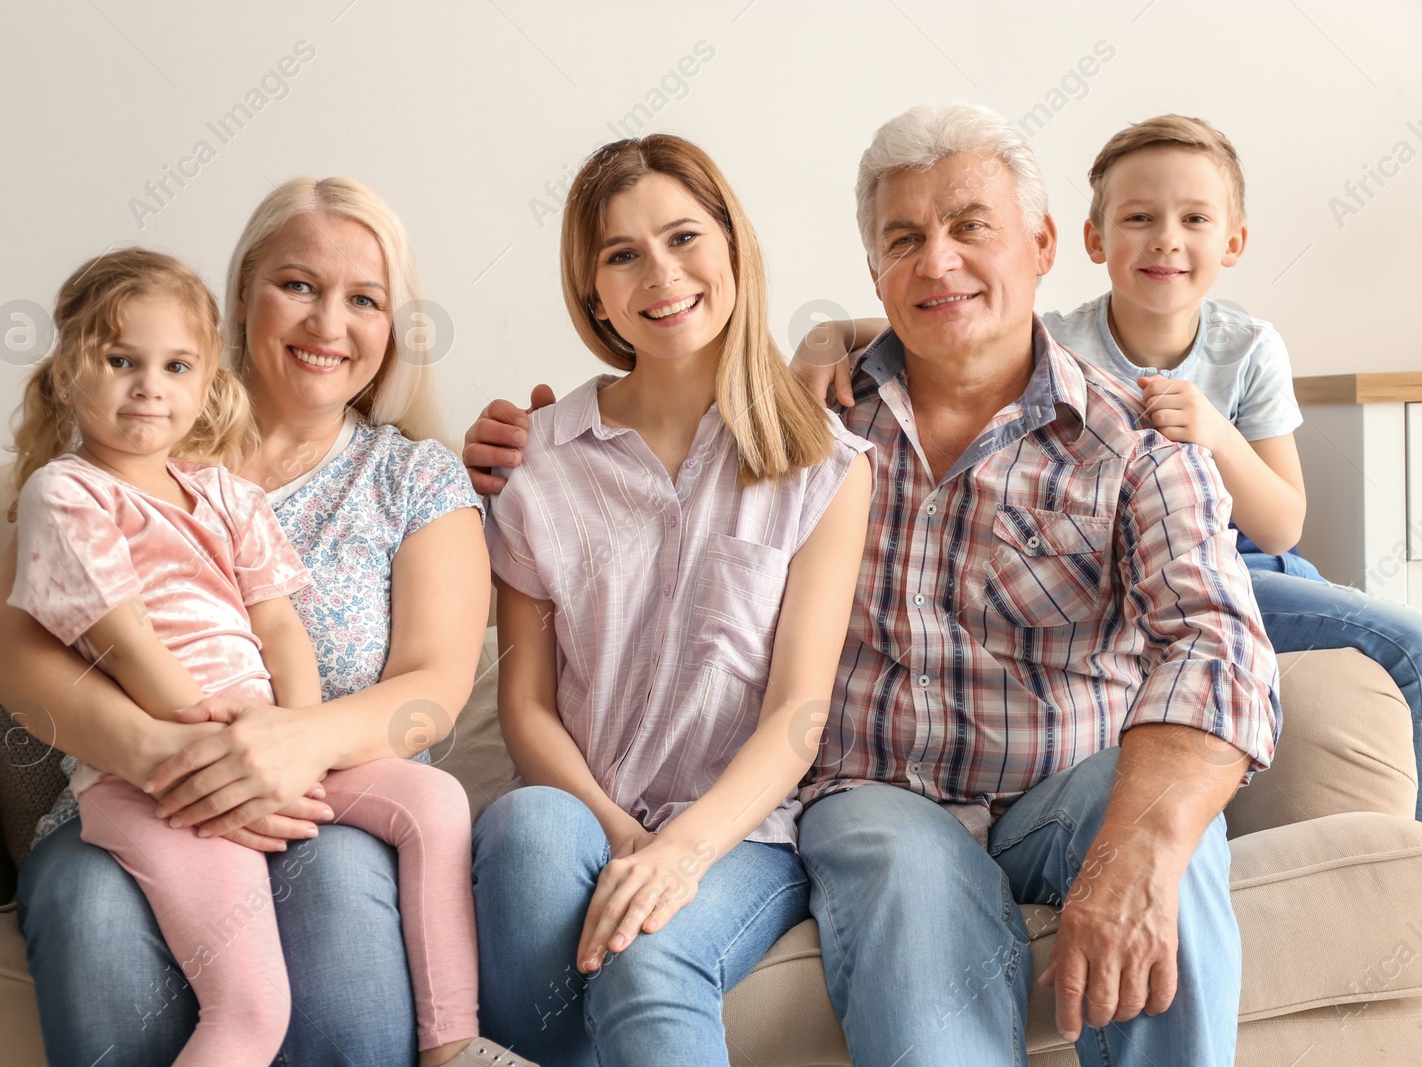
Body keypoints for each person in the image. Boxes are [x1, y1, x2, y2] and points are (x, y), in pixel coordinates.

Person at [463, 105, 1279, 1066]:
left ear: (1046, 242)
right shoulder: (820, 420)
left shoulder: (1135, 440)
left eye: (971, 225)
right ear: (875, 273)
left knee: (1164, 834)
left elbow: (1219, 643)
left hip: (1061, 783)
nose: (937, 263)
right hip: (874, 793)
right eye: (905, 240)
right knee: (900, 884)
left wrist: (1141, 849)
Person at [0, 178, 492, 1067]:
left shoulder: (416, 479)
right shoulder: (130, 451)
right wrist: (157, 752)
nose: (329, 324)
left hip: (320, 800)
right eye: (298, 285)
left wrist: (291, 742)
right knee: (91, 906)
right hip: (145, 788)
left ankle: (455, 1045)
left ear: (393, 329)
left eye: (363, 299)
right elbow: (4, 640)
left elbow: (435, 689)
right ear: (241, 292)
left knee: (334, 888)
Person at [798, 114, 1422, 820]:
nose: (1165, 238)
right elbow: (949, 313)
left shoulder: (1248, 347)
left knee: (1403, 644)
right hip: (1116, 558)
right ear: (1092, 240)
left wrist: (1213, 433)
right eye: (1138, 217)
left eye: (1194, 218)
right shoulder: (1060, 338)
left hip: (1248, 559)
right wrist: (829, 333)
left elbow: (1281, 525)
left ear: (1234, 240)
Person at [471, 134, 872, 1066]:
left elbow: (798, 715)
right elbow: (525, 705)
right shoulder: (535, 463)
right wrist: (621, 837)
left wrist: (678, 851)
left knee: (647, 958)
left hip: (740, 833)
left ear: (733, 248)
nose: (661, 273)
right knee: (523, 826)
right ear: (594, 294)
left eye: (684, 237)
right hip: (580, 814)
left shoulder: (825, 466)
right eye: (622, 255)